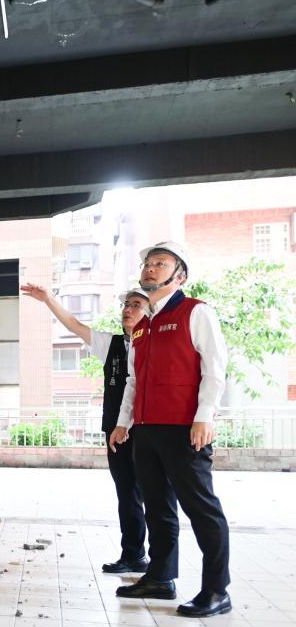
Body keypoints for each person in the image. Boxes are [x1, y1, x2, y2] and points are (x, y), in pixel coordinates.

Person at [109, 241, 231, 618]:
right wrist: (122, 423)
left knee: (202, 510)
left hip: (183, 429)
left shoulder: (196, 312)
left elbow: (215, 366)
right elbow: (133, 380)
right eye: (148, 262)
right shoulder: (142, 327)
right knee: (158, 507)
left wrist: (204, 415)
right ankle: (161, 577)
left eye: (160, 263)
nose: (151, 267)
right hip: (145, 431)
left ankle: (216, 590)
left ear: (180, 275)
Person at [20, 282, 154, 574]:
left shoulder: (158, 344)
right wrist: (48, 300)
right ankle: (133, 555)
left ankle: (162, 564)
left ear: (151, 311)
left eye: (136, 305)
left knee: (155, 495)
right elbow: (74, 324)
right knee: (127, 494)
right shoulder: (112, 344)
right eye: (126, 305)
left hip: (149, 430)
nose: (128, 310)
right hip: (116, 433)